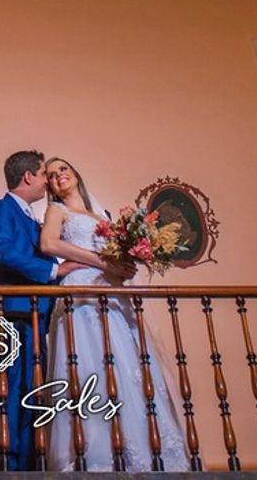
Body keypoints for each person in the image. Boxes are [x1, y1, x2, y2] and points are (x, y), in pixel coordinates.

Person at [39, 158, 191, 471]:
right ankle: (96, 456)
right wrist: (101, 262)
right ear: (50, 187)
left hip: (113, 294)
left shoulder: (102, 216)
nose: (58, 176)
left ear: (75, 173)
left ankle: (143, 453)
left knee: (127, 369)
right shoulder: (57, 210)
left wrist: (126, 264)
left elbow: (116, 257)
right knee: (89, 367)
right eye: (51, 175)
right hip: (82, 293)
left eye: (63, 169)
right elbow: (49, 244)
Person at [0, 150, 90, 470]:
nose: (47, 182)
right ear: (28, 177)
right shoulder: (0, 208)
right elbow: (4, 252)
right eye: (44, 174)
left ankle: (30, 467)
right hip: (12, 317)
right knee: (14, 396)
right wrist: (56, 270)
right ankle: (10, 470)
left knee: (33, 395)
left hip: (35, 316)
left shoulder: (31, 217)